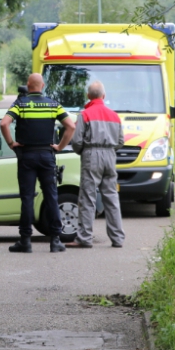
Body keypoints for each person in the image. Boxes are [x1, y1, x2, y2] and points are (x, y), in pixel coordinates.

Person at [0, 73, 75, 253]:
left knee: (27, 198)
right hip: (47, 155)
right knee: (51, 196)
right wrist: (59, 147)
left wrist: (11, 144)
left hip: (26, 155)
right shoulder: (52, 104)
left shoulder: (20, 104)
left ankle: (25, 241)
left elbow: (4, 124)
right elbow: (70, 126)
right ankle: (56, 240)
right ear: (42, 86)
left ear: (28, 85)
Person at [66, 81, 125, 248]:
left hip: (91, 154)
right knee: (111, 197)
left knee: (87, 198)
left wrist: (84, 152)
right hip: (110, 155)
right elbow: (121, 141)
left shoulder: (84, 115)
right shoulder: (114, 115)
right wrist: (109, 149)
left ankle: (84, 238)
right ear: (104, 96)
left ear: (88, 96)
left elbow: (76, 141)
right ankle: (117, 238)